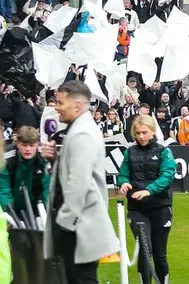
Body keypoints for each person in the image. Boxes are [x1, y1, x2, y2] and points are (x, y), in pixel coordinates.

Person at [43, 81, 120, 284]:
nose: (56, 107)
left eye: (60, 102)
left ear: (77, 105)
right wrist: (56, 159)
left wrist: (65, 223)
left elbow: (79, 184)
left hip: (78, 229)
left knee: (81, 279)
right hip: (79, 226)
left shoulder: (82, 133)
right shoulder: (81, 129)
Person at [116, 115, 175, 284]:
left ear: (152, 131)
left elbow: (167, 175)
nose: (141, 136)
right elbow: (123, 174)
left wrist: (149, 190)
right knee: (144, 251)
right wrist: (124, 182)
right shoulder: (129, 152)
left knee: (159, 253)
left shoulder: (164, 150)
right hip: (137, 208)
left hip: (161, 207)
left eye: (144, 132)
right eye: (137, 133)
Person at [0, 125, 52, 210]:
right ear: (17, 144)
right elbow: (4, 190)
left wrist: (46, 212)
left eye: (31, 145)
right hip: (14, 202)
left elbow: (48, 188)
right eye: (24, 145)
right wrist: (10, 214)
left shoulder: (43, 157)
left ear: (37, 144)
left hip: (37, 205)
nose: (28, 149)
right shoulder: (6, 158)